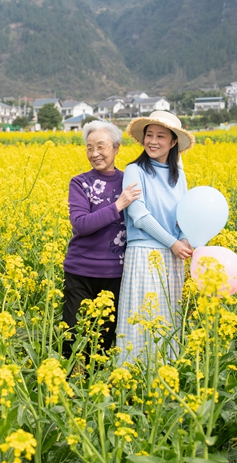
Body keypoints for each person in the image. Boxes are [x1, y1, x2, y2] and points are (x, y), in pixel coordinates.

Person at [117, 111, 195, 360]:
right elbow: (139, 215)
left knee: (167, 321)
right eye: (149, 135)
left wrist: (184, 239)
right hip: (144, 254)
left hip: (173, 256)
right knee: (141, 319)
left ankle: (166, 377)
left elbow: (184, 214)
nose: (153, 141)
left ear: (173, 142)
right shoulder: (134, 170)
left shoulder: (179, 176)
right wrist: (173, 242)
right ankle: (132, 380)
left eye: (160, 136)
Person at [62, 120, 141, 359]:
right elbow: (81, 224)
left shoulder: (130, 180)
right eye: (89, 148)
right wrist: (119, 205)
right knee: (73, 336)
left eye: (101, 146)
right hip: (80, 270)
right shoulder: (80, 182)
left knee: (106, 338)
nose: (94, 153)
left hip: (115, 273)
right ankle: (72, 387)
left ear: (116, 148)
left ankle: (99, 389)